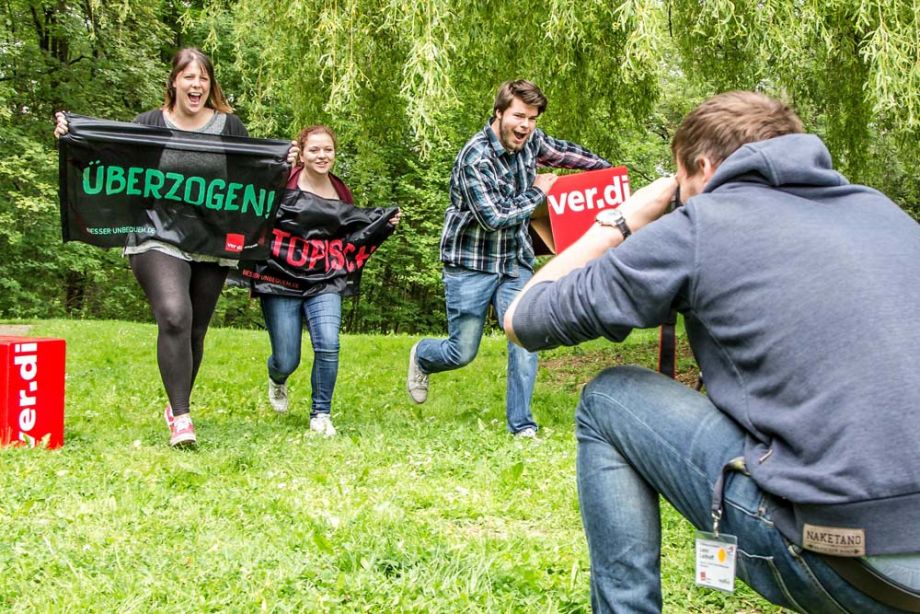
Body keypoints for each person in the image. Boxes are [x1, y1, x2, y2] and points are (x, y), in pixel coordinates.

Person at [504, 91, 920, 612]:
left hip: (847, 561)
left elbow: (523, 318)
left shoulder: (701, 224)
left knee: (610, 398)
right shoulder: (885, 213)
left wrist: (621, 221)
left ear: (700, 166)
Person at [54, 47, 298, 447]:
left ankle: (176, 403)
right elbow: (107, 155)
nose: (196, 85)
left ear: (210, 84)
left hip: (210, 238)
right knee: (174, 315)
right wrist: (73, 134)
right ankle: (182, 419)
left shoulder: (228, 127)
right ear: (174, 81)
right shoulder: (149, 124)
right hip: (155, 233)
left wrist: (281, 161)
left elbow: (252, 175)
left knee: (195, 330)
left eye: (203, 78)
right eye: (188, 76)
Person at [406, 79, 611, 437]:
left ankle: (522, 426)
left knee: (525, 335)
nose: (525, 126)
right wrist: (537, 191)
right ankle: (423, 356)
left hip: (514, 259)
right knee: (461, 351)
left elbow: (565, 153)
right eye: (519, 116)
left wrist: (608, 173)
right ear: (499, 113)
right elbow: (494, 217)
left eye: (532, 118)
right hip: (470, 262)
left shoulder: (531, 140)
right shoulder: (474, 157)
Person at [255, 125, 400, 436]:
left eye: (328, 150)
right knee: (286, 358)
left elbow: (352, 233)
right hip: (280, 278)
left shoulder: (341, 191)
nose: (322, 156)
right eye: (314, 150)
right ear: (302, 154)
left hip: (326, 277)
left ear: (334, 152)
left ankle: (321, 413)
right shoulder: (282, 182)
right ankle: (277, 378)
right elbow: (252, 209)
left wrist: (383, 224)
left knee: (329, 343)